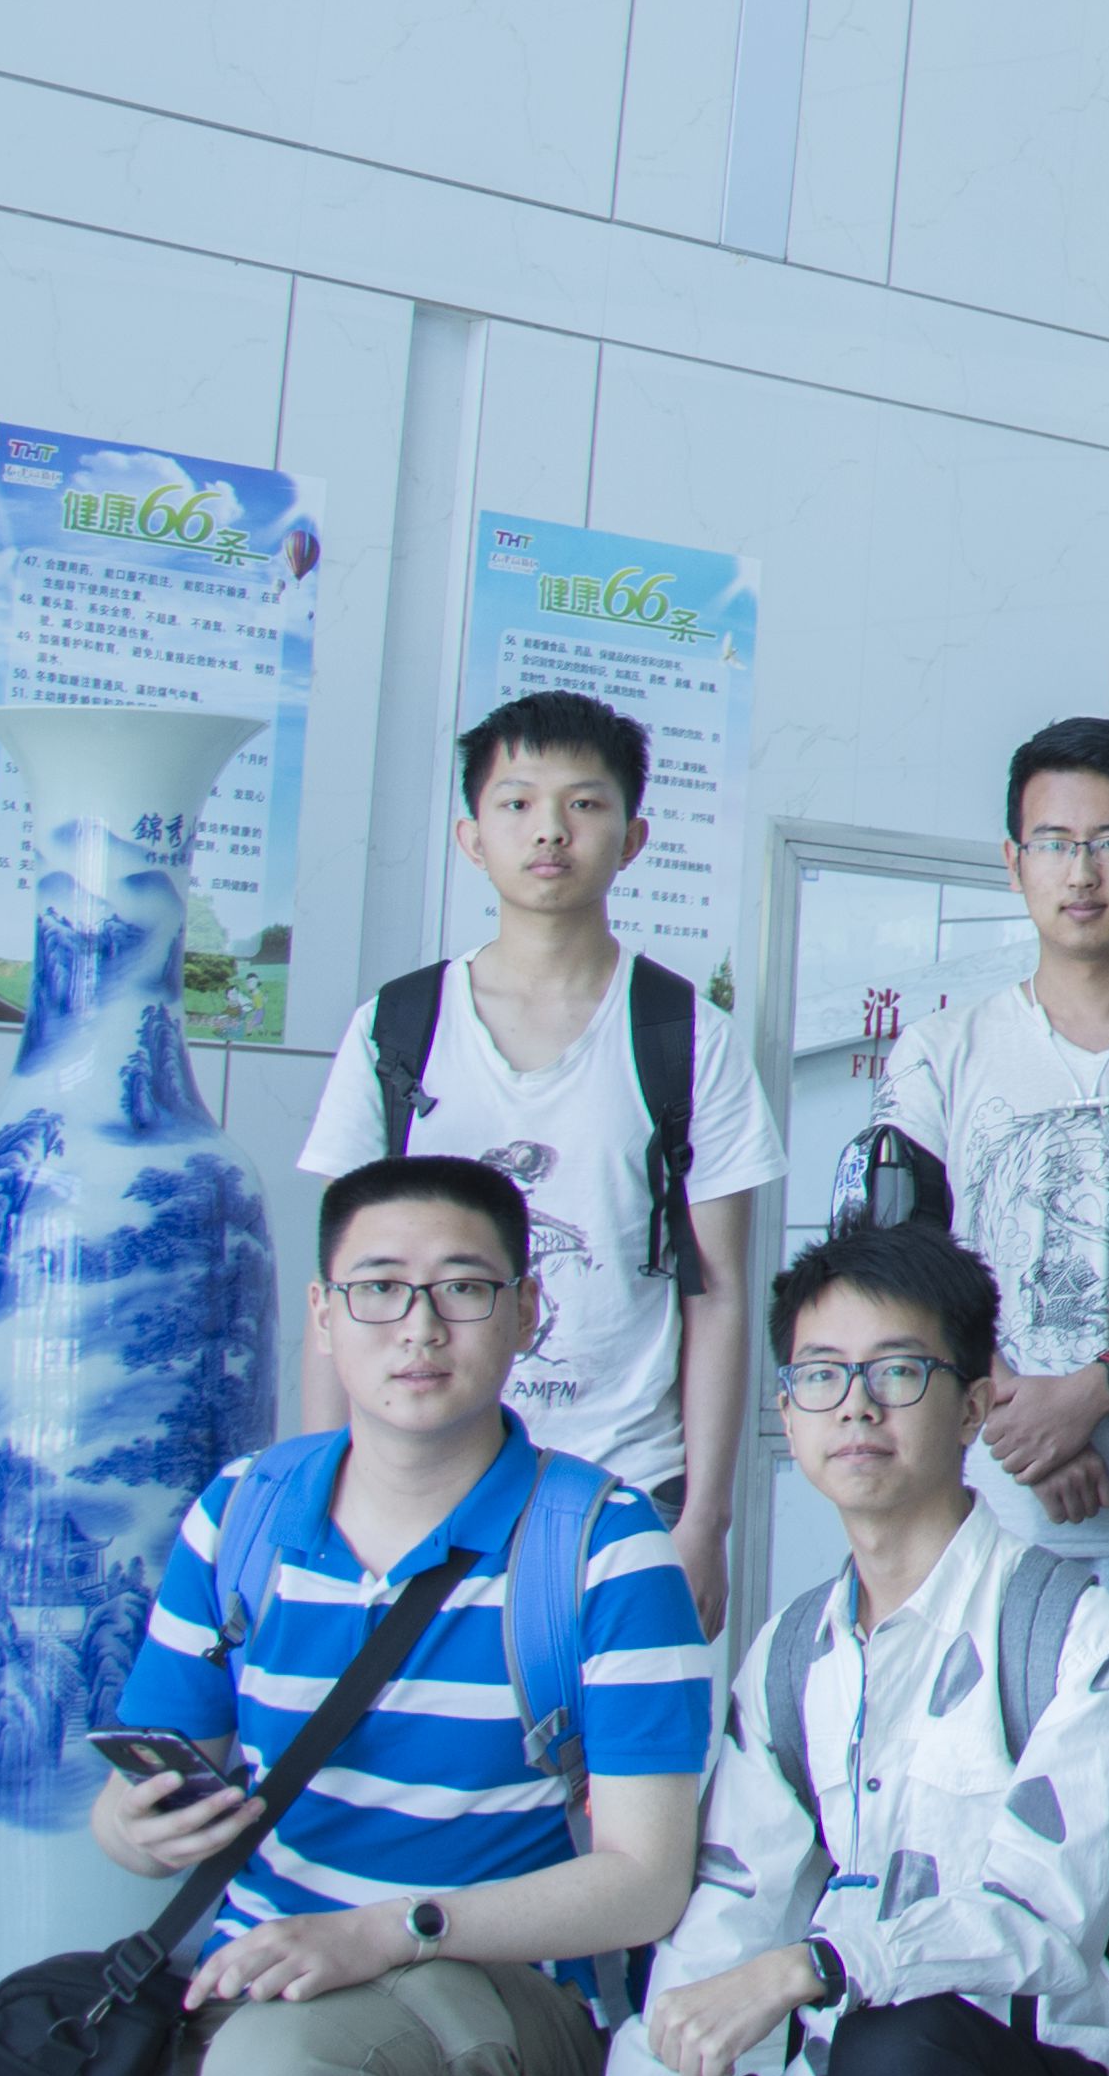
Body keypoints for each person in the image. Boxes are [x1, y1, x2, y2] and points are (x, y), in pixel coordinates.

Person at [29, 1156, 710, 2076]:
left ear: (526, 1311)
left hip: (505, 1988)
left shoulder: (604, 1546)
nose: (420, 1327)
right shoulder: (240, 1514)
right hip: (257, 1988)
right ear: (324, 1311)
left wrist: (389, 1931)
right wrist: (135, 1829)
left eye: (464, 1288)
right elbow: (134, 1801)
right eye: (380, 1287)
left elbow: (645, 1885)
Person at [508, 1223, 1109, 2076]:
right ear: (787, 1414)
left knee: (897, 2041)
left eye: (897, 1372)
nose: (856, 1407)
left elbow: (1035, 1923)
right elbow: (718, 1929)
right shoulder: (790, 1660)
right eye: (821, 1376)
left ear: (972, 1406)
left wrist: (816, 1966)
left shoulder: (1080, 1639)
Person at [295, 692, 775, 1628]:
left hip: (622, 1485)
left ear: (633, 838)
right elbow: (339, 1283)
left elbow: (717, 1293)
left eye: (584, 804)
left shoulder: (688, 1038)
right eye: (516, 803)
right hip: (410, 1478)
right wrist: (321, 1491)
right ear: (471, 838)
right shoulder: (395, 1029)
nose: (550, 830)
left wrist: (705, 1520)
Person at [888, 711, 1109, 1664]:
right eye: (1053, 843)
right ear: (1014, 863)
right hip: (975, 1513)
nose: (1081, 872)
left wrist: (1091, 1396)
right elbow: (903, 1262)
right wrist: (1023, 1422)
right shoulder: (941, 1053)